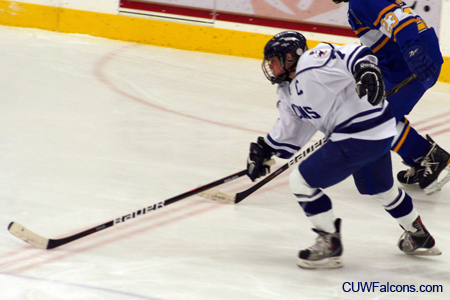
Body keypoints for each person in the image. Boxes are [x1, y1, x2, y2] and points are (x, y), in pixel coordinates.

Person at [246, 31, 441, 269]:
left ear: (291, 56)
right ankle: (418, 234)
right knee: (382, 190)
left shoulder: (312, 61)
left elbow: (351, 54)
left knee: (301, 182)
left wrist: (366, 69)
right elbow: (292, 130)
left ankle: (329, 243)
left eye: (275, 60)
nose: (271, 66)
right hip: (378, 134)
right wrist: (266, 150)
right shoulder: (286, 92)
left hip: (357, 135)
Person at [331, 0, 450, 195]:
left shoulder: (360, 1)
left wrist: (413, 49)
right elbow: (381, 40)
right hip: (407, 61)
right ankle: (421, 160)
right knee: (374, 113)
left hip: (412, 62)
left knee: (371, 119)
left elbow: (401, 21)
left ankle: (428, 156)